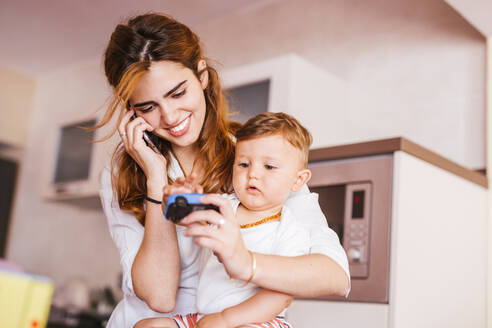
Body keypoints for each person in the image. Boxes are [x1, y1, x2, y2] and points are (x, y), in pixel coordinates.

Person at [97, 12, 350, 328]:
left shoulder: (256, 159)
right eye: (148, 107)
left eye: (178, 93)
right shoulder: (119, 175)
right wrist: (156, 178)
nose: (170, 116)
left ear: (201, 75)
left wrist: (246, 264)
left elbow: (335, 276)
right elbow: (160, 298)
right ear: (131, 111)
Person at [136, 112, 313, 328]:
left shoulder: (292, 231)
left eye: (269, 167)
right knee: (149, 326)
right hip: (204, 318)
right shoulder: (222, 205)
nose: (253, 174)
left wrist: (227, 319)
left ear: (298, 180)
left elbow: (281, 295)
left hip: (259, 320)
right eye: (244, 164)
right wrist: (178, 197)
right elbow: (182, 217)